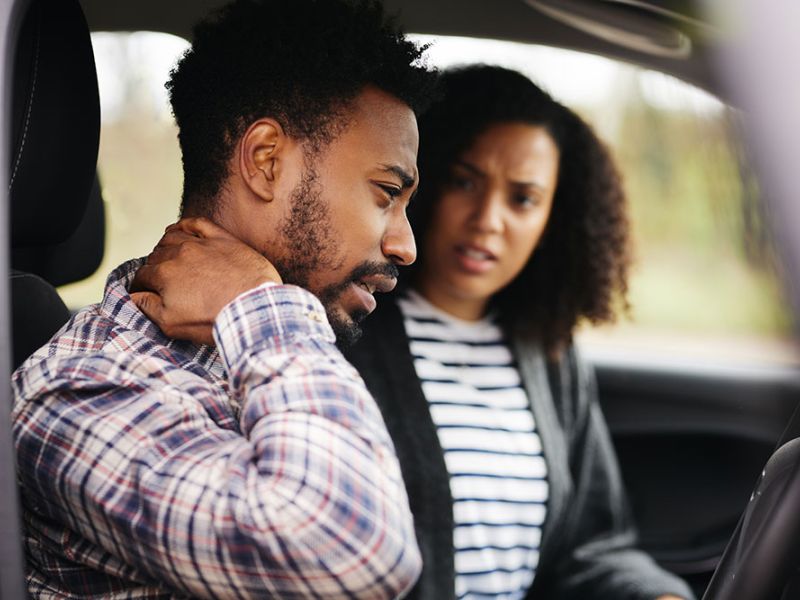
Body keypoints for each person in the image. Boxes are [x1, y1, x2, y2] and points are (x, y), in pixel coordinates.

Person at [11, 0, 437, 598]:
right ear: (265, 162)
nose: (406, 245)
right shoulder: (81, 388)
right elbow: (353, 554)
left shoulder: (269, 348)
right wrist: (259, 305)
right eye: (387, 192)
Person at [344, 65, 696, 600]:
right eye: (465, 181)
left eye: (523, 198)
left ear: (556, 217)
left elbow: (591, 549)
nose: (488, 219)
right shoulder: (348, 327)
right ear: (423, 180)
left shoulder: (550, 354)